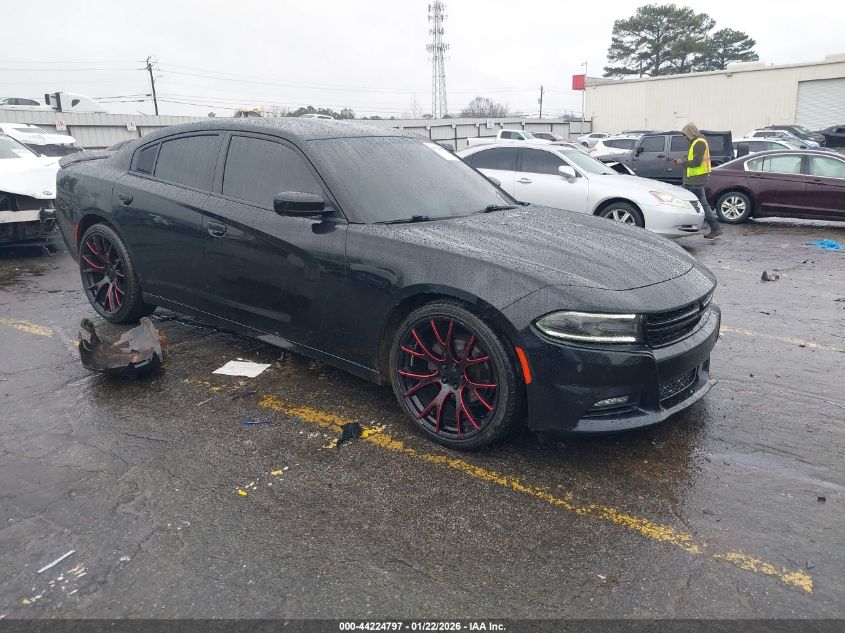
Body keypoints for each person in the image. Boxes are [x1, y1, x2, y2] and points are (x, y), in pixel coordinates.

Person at [673, 123, 723, 239]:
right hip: (692, 179)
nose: (685, 138)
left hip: (695, 180)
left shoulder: (699, 143)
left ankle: (714, 228)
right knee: (690, 203)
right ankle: (714, 228)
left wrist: (682, 162)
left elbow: (696, 162)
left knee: (696, 204)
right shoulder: (696, 142)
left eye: (685, 135)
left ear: (691, 133)